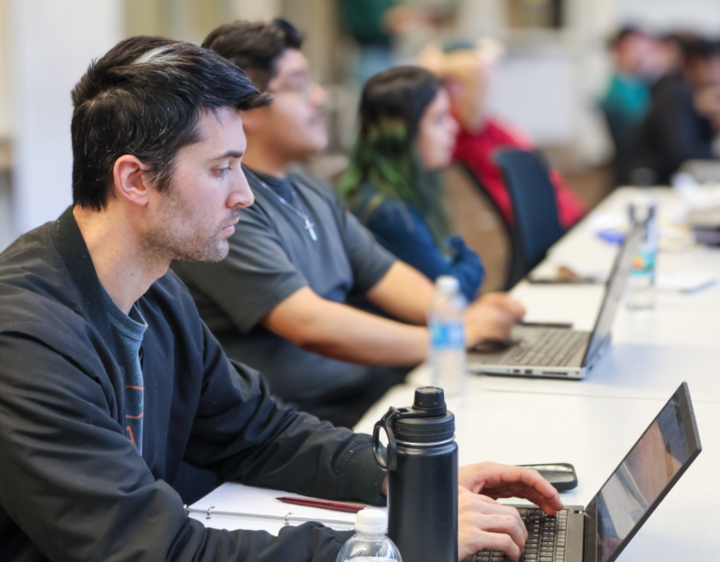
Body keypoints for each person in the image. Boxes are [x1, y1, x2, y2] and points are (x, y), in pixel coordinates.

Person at [0, 34, 564, 562]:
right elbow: (150, 548)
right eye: (222, 169)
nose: (245, 195)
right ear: (135, 181)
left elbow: (259, 433)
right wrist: (375, 548)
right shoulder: (25, 336)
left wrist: (408, 478)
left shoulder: (157, 290)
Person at [172, 19, 525, 429]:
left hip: (360, 392)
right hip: (291, 425)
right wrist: (451, 337)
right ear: (248, 106)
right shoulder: (226, 206)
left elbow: (386, 274)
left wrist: (461, 318)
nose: (320, 97)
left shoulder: (309, 185)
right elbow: (309, 324)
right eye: (300, 84)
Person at [339, 66, 485, 301]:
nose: (453, 127)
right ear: (402, 135)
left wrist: (460, 260)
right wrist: (472, 261)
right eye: (439, 119)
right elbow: (448, 296)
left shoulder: (401, 191)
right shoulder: (389, 213)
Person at [417, 42, 587, 230]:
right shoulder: (464, 131)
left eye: (456, 84)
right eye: (445, 85)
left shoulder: (485, 128)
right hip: (532, 210)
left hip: (546, 204)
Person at [623, 38, 720, 185]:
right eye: (716, 64)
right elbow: (680, 153)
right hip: (652, 185)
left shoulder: (695, 96)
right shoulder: (673, 94)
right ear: (694, 64)